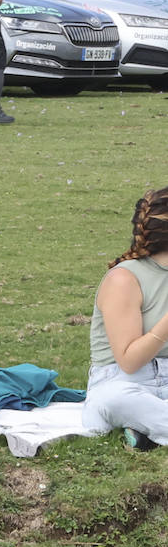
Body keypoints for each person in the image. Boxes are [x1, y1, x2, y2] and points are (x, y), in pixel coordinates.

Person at [84, 187, 168, 448]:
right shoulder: (124, 279)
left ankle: (146, 434)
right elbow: (129, 361)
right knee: (116, 400)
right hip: (122, 382)